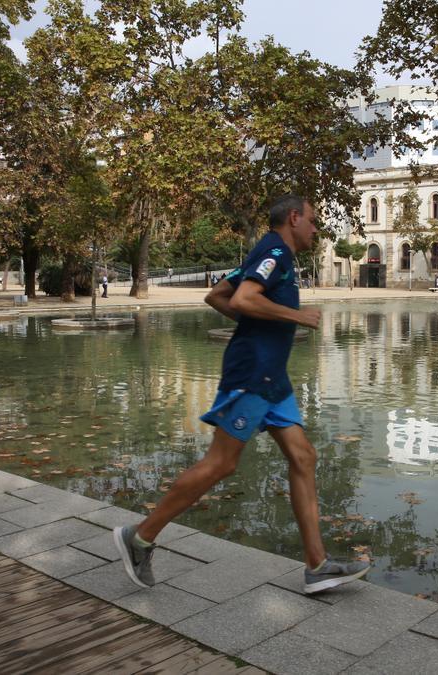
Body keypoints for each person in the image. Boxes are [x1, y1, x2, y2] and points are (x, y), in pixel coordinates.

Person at [114, 195, 370, 594]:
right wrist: (296, 316)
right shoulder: (274, 250)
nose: (317, 230)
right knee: (221, 464)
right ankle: (140, 537)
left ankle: (317, 565)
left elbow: (216, 295)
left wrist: (257, 325)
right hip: (252, 374)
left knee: (304, 456)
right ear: (294, 217)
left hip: (274, 377)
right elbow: (243, 298)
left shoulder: (269, 253)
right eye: (314, 221)